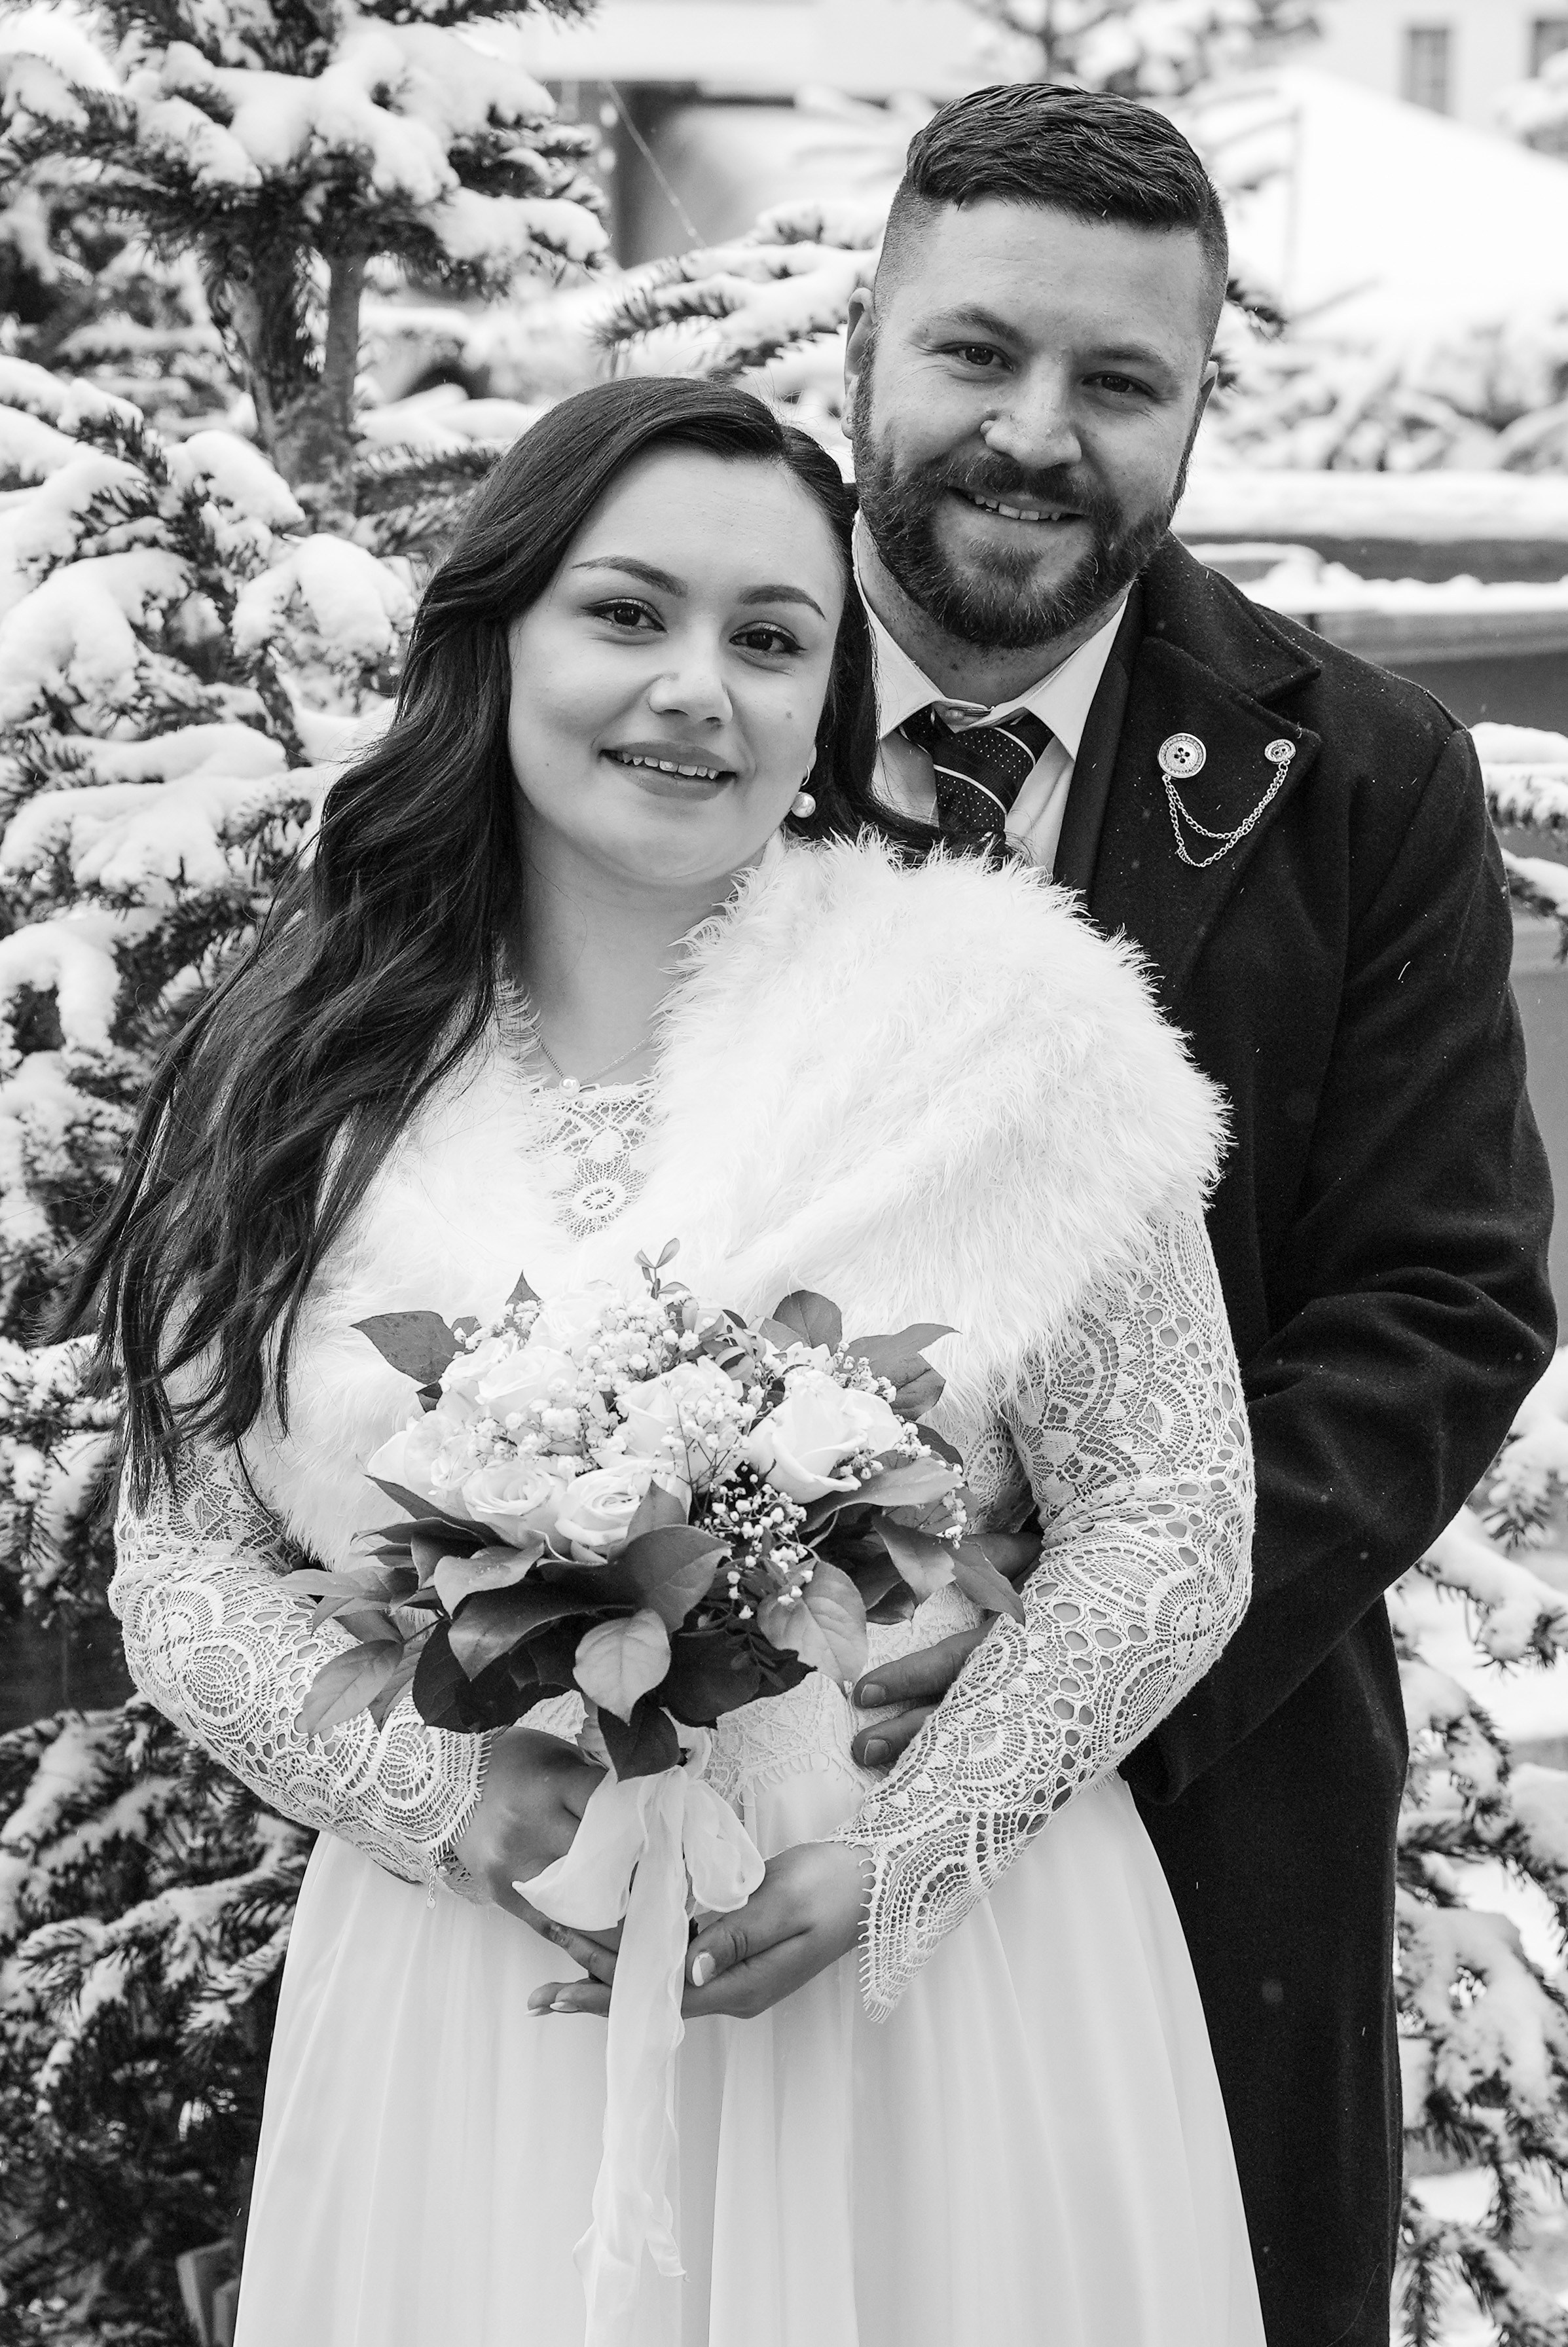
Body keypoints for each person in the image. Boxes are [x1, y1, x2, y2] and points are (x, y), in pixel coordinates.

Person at [90, 376, 1266, 2345]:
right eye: (627, 613)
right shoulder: (298, 1065)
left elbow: (1172, 1518)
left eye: (769, 637)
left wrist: (898, 1853)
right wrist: (430, 1798)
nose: (695, 687)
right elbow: (184, 1565)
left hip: (933, 1980)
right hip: (485, 1998)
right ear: (503, 636)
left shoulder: (1003, 1031)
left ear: (829, 699)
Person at [831, 83, 1556, 2347]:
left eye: (1119, 383)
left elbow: (1439, 1296)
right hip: (698, 1780)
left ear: (1195, 406)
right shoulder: (638, 711)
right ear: (863, 341)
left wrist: (1081, 1650)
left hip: (1194, 1795)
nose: (1034, 435)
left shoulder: (1356, 774)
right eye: (976, 353)